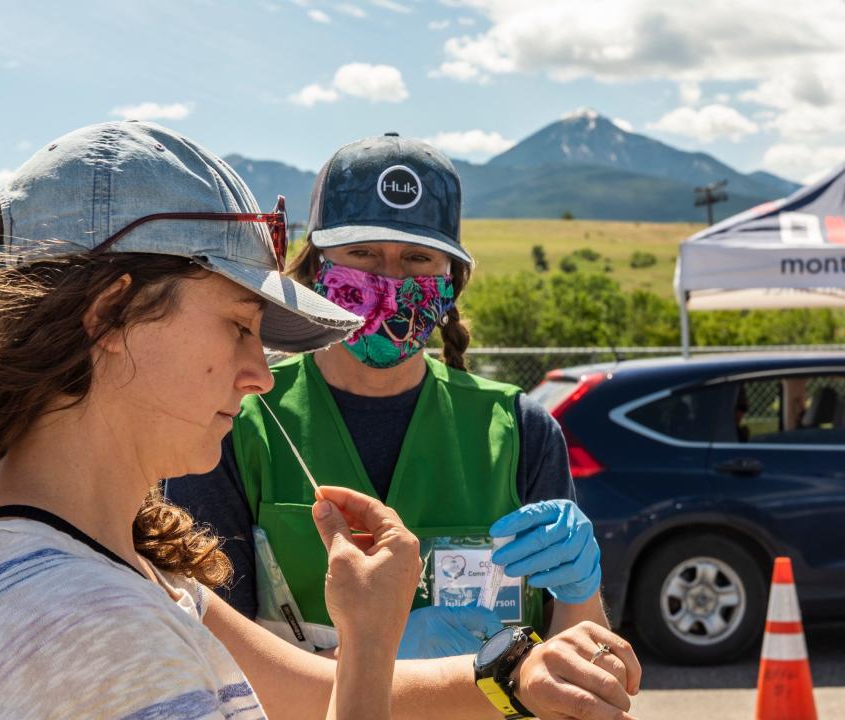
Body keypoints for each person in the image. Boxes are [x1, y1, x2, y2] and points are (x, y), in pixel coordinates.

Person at [0, 121, 641, 720]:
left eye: (417, 260)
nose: (259, 373)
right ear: (111, 316)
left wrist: (516, 673)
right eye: (236, 324)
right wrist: (374, 641)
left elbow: (296, 689)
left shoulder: (127, 573)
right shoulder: (85, 631)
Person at [166, 133, 608, 659]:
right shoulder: (239, 420)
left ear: (451, 281)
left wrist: (581, 595)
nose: (390, 279)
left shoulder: (519, 430)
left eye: (418, 258)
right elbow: (215, 659)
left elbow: (583, 664)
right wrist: (385, 661)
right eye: (364, 253)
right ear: (316, 268)